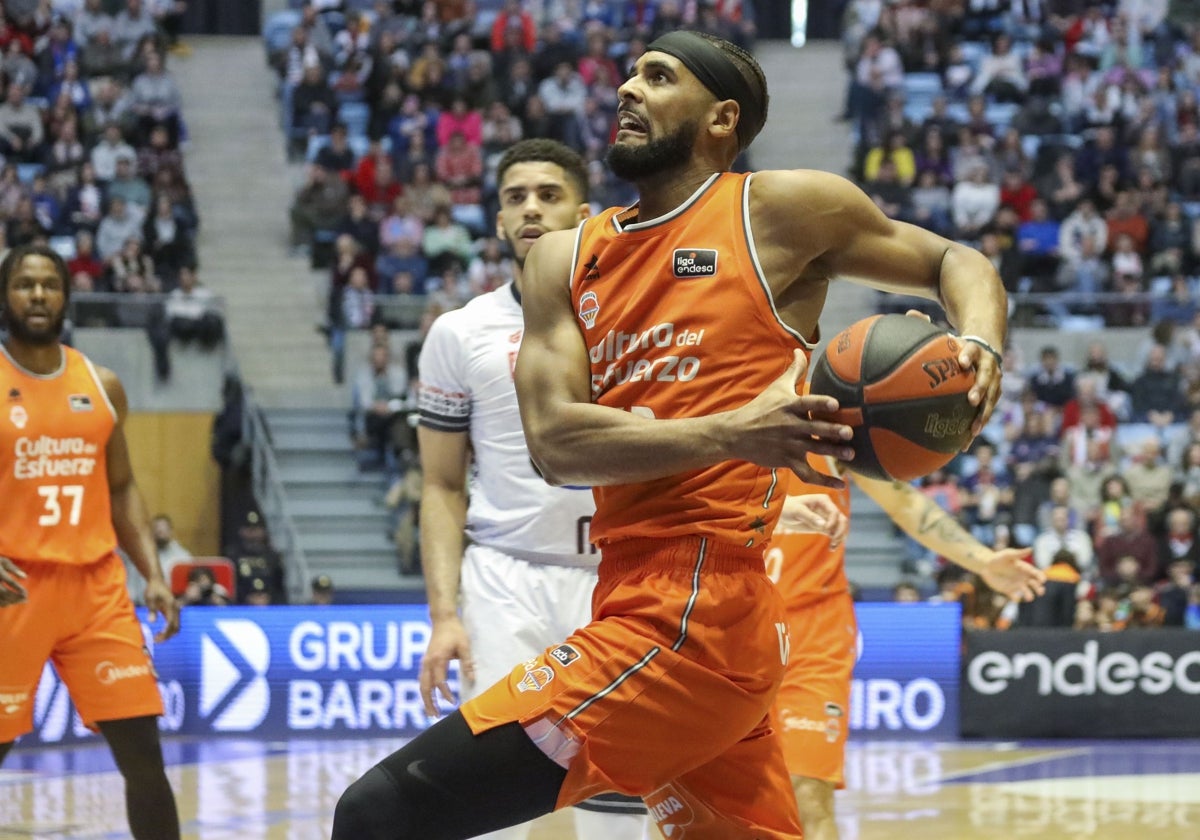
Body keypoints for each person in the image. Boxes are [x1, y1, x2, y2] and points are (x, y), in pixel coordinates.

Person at [333, 31, 1007, 840]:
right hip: (636, 590)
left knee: (377, 813)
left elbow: (955, 262)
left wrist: (981, 344)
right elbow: (554, 445)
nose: (627, 87)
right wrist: (730, 433)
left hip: (696, 612)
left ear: (722, 118)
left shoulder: (780, 212)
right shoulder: (565, 262)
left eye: (658, 76)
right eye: (629, 73)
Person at [414, 138, 646, 840]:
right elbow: (441, 484)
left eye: (548, 194)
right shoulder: (459, 333)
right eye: (515, 197)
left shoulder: (637, 319)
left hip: (620, 579)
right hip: (505, 577)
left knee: (622, 798)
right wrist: (444, 614)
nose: (531, 208)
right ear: (497, 221)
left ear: (584, 214)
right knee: (493, 803)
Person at [0, 243, 181, 839]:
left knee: (144, 756)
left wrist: (152, 573)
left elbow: (123, 488)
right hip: (13, 591)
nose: (37, 295)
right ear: (6, 296)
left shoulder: (100, 385)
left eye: (49, 284)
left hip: (96, 591)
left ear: (66, 297)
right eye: (24, 284)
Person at [769, 452, 1045, 840]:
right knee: (697, 800)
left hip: (813, 635)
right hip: (729, 628)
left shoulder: (827, 430)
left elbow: (907, 503)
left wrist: (982, 560)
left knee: (806, 795)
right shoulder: (715, 417)